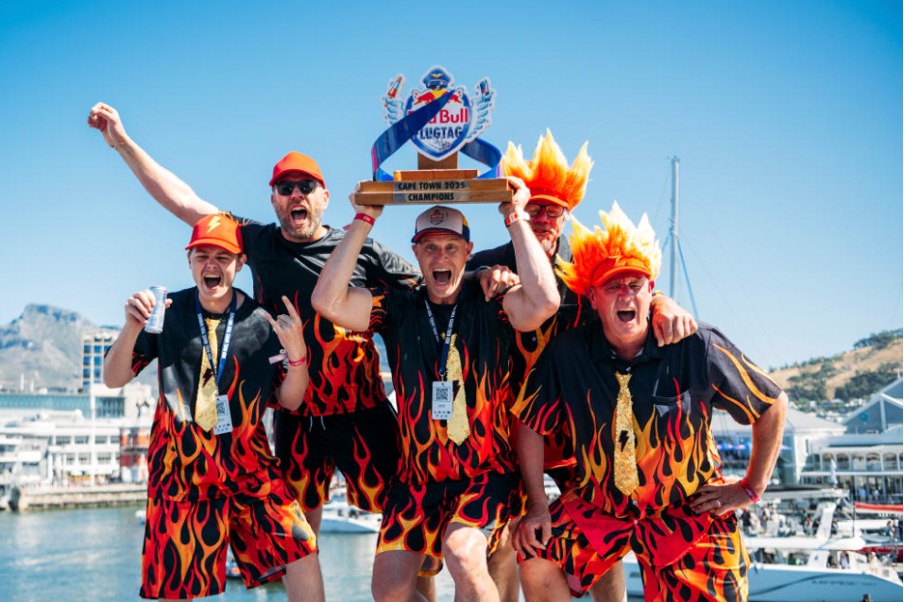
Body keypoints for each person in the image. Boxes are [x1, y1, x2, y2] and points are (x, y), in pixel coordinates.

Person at [511, 203, 788, 602]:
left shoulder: (696, 345)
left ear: (652, 290)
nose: (625, 294)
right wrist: (538, 506)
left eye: (635, 284)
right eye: (612, 285)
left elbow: (772, 405)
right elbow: (530, 422)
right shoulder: (568, 353)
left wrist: (750, 488)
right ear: (592, 297)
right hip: (602, 507)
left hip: (687, 511)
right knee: (535, 552)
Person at [467, 130, 697, 602]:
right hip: (512, 426)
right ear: (519, 209)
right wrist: (480, 277)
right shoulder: (490, 263)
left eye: (553, 210)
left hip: (578, 426)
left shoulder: (584, 269)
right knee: (510, 538)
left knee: (601, 536)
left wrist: (663, 301)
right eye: (534, 208)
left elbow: (629, 292)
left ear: (567, 215)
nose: (543, 218)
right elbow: (444, 289)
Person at [311, 179, 560, 602]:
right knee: (387, 591)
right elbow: (326, 301)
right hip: (418, 478)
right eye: (429, 247)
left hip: (487, 472)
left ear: (468, 250)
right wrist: (363, 219)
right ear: (415, 254)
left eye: (450, 247)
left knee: (462, 555)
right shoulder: (397, 305)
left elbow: (544, 303)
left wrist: (514, 216)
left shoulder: (493, 299)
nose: (439, 256)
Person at [103, 214, 324, 601]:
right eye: (202, 255)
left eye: (223, 257)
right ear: (188, 261)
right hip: (180, 473)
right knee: (175, 588)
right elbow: (113, 378)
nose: (212, 265)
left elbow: (290, 399)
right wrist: (131, 327)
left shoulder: (261, 322)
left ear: (240, 263)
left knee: (301, 547)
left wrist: (299, 356)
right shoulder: (165, 314)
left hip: (249, 470)